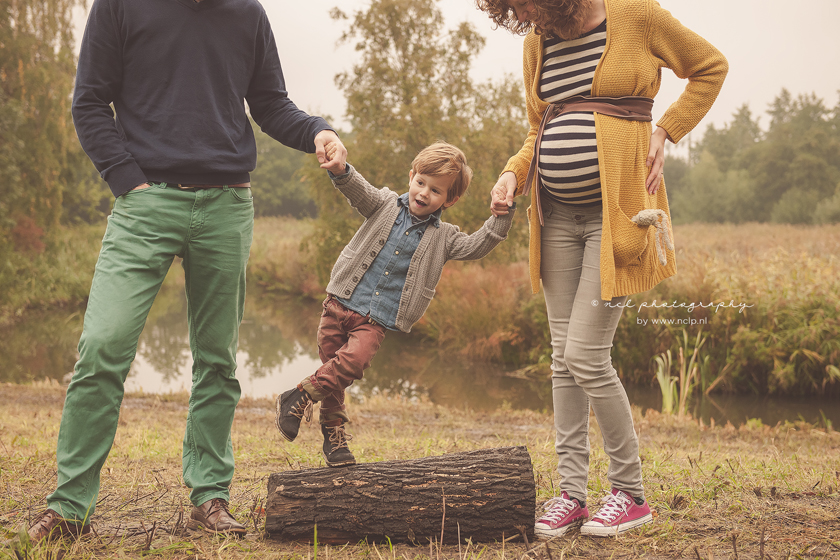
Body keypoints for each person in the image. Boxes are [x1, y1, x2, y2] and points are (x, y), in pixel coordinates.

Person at [24, 0, 347, 544]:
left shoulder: (247, 13)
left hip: (227, 206)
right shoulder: (119, 6)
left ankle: (209, 497)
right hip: (144, 204)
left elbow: (270, 103)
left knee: (217, 359)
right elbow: (90, 101)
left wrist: (317, 130)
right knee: (102, 346)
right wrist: (125, 178)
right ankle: (71, 506)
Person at [475, 0, 727, 538]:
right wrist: (513, 174)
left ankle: (631, 495)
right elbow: (539, 128)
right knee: (562, 360)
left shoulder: (637, 15)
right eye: (512, 9)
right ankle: (571, 495)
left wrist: (667, 130)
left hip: (615, 220)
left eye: (525, 3)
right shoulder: (537, 39)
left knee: (585, 355)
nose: (523, 15)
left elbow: (710, 67)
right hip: (555, 218)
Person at [274, 142, 515, 466]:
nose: (424, 193)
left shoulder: (444, 237)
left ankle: (300, 394)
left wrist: (501, 216)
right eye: (421, 183)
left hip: (374, 320)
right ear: (411, 176)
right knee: (335, 375)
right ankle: (335, 438)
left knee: (352, 363)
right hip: (338, 303)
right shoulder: (384, 203)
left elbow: (478, 245)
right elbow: (358, 190)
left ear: (450, 199)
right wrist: (340, 170)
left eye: (436, 190)